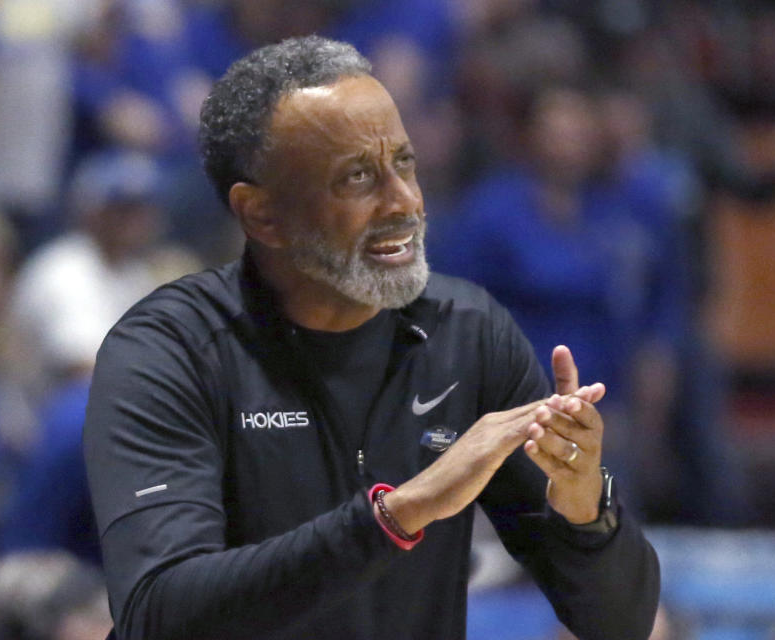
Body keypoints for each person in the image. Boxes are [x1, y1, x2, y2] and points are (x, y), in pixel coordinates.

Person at [83, 36, 659, 640]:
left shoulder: (468, 334)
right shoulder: (167, 351)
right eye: (358, 177)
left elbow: (620, 623)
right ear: (262, 214)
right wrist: (401, 512)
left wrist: (584, 506)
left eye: (404, 163)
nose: (404, 201)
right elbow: (160, 616)